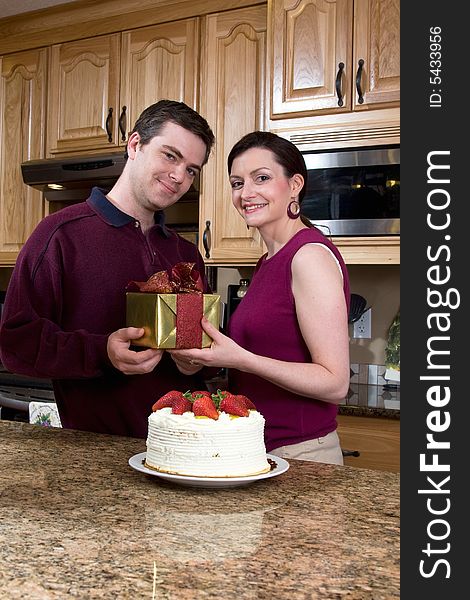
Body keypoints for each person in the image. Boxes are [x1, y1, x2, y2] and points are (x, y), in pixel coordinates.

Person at [0, 99, 215, 438]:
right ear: (135, 145)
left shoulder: (185, 251)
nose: (179, 176)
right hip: (97, 452)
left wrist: (196, 361)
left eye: (191, 169)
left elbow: (199, 347)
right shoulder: (59, 235)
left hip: (185, 447)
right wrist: (102, 352)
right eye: (170, 155)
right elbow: (16, 343)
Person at [170, 131, 351, 464]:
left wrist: (239, 358)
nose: (246, 194)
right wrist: (203, 359)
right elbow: (262, 359)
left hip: (303, 454)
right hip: (259, 450)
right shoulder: (267, 262)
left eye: (261, 178)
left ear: (295, 184)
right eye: (237, 183)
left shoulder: (308, 256)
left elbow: (335, 383)